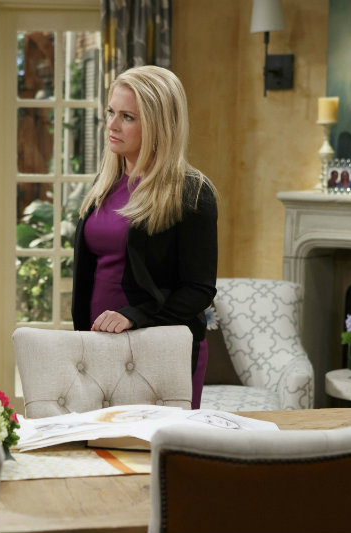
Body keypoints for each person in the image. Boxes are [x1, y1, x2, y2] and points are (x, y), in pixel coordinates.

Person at [71, 65, 218, 408]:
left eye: (127, 117)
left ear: (158, 125)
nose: (112, 125)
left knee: (155, 444)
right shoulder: (104, 185)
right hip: (96, 345)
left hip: (160, 351)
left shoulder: (191, 192)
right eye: (111, 112)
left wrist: (134, 315)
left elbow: (199, 290)